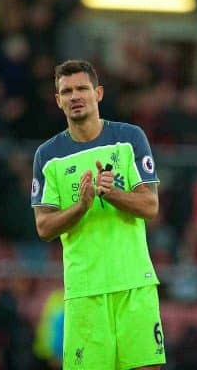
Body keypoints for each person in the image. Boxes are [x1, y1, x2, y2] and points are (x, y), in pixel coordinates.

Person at [31, 59, 165, 369]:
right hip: (85, 292)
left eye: (81, 88)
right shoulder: (48, 156)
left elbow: (151, 206)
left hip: (134, 283)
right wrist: (81, 206)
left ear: (98, 93)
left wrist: (113, 193)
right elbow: (44, 226)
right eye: (66, 91)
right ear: (58, 100)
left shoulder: (130, 138)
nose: (74, 96)